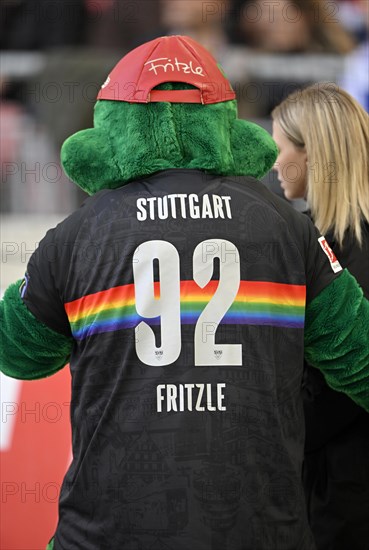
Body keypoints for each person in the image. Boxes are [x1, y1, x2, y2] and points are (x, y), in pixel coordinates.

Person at [1, 37, 369, 550]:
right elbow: (362, 357)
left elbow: (17, 353)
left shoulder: (77, 235)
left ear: (114, 126)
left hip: (107, 532)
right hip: (263, 530)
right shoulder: (287, 227)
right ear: (225, 124)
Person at [271, 82, 369, 550]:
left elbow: (344, 382)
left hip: (348, 484)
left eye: (279, 148)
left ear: (314, 153)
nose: (273, 164)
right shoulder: (317, 235)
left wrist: (276, 437)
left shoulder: (352, 245)